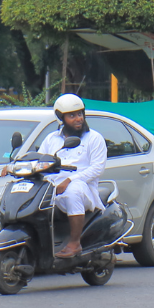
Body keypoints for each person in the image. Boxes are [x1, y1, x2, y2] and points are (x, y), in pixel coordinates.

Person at [37, 94, 107, 258]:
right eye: (72, 115)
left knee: (73, 190)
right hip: (53, 189)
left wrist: (70, 180)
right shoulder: (52, 139)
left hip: (83, 190)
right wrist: (13, 166)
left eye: (80, 114)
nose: (78, 119)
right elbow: (39, 160)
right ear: (61, 118)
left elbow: (97, 168)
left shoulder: (94, 138)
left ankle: (75, 243)